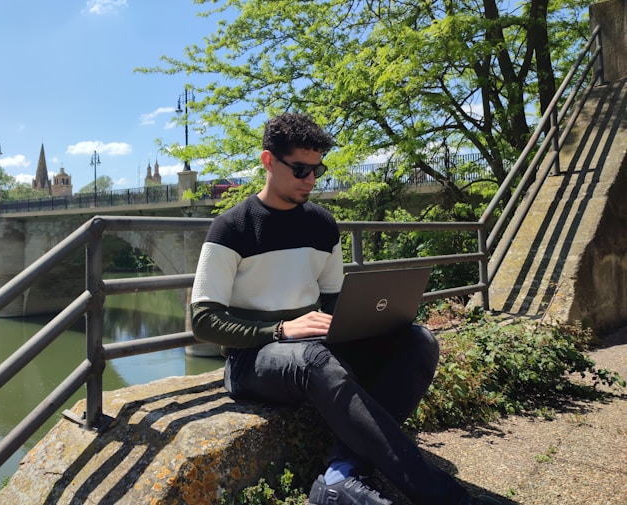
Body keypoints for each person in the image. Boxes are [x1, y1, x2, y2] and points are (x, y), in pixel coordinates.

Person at [190, 112, 500, 505]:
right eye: (300, 169)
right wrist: (279, 330)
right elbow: (203, 321)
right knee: (313, 359)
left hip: (313, 350)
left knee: (418, 341)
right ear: (269, 161)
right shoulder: (231, 228)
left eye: (317, 170)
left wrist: (372, 323)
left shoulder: (322, 224)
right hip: (250, 361)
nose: (311, 181)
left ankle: (341, 474)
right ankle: (443, 496)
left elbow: (335, 300)